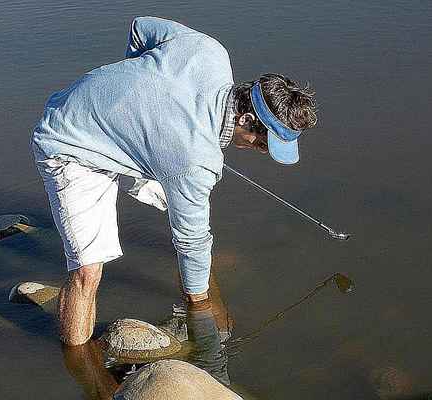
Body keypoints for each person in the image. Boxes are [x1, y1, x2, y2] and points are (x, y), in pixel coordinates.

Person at [31, 16, 317, 345]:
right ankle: (80, 365)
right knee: (87, 271)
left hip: (94, 113)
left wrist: (134, 102)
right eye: (264, 143)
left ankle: (194, 267)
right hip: (68, 145)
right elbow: (190, 240)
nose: (263, 152)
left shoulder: (210, 52)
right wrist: (201, 306)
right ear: (246, 119)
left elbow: (141, 27)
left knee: (181, 201)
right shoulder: (196, 162)